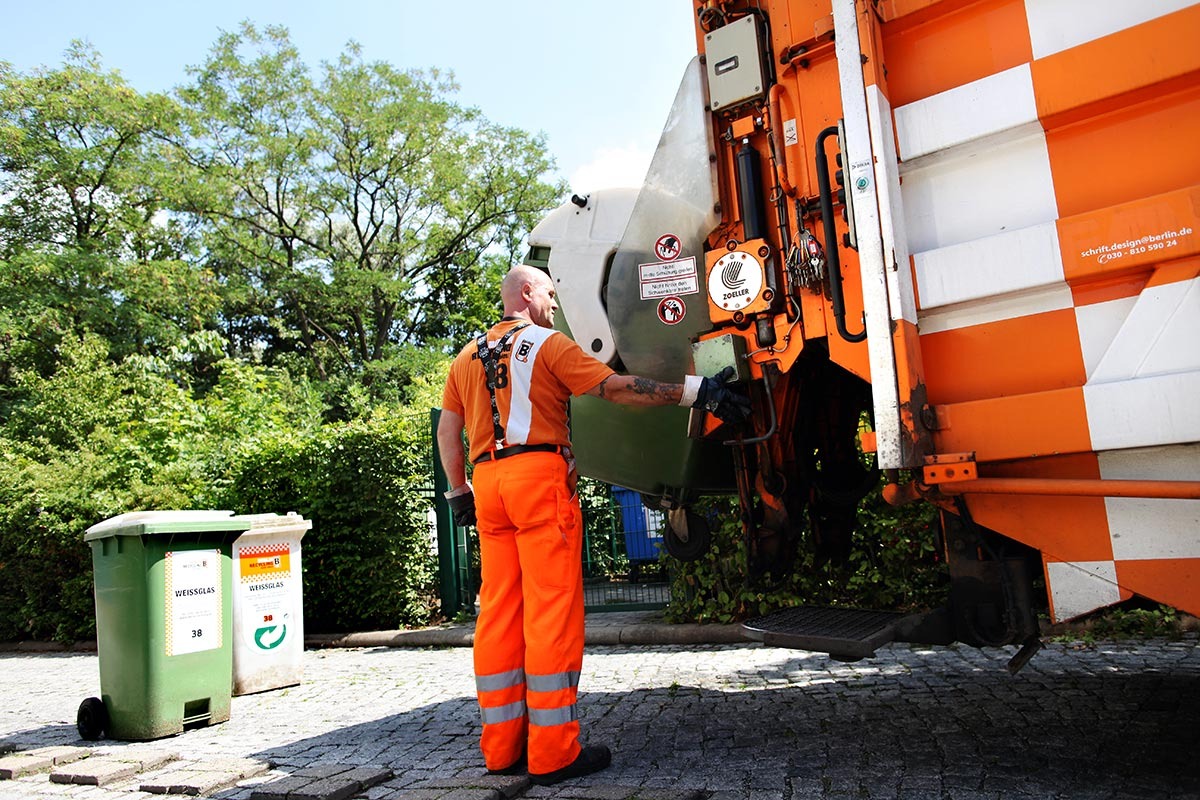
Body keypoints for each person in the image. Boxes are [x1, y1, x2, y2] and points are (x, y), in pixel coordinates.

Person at [437, 263, 750, 786]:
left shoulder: (465, 356)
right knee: (550, 613)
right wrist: (698, 393)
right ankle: (554, 752)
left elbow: (449, 430)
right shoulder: (546, 344)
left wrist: (457, 492)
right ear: (528, 292)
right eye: (551, 294)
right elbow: (618, 388)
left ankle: (501, 749)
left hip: (487, 486)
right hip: (538, 479)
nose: (555, 305)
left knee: (498, 614)